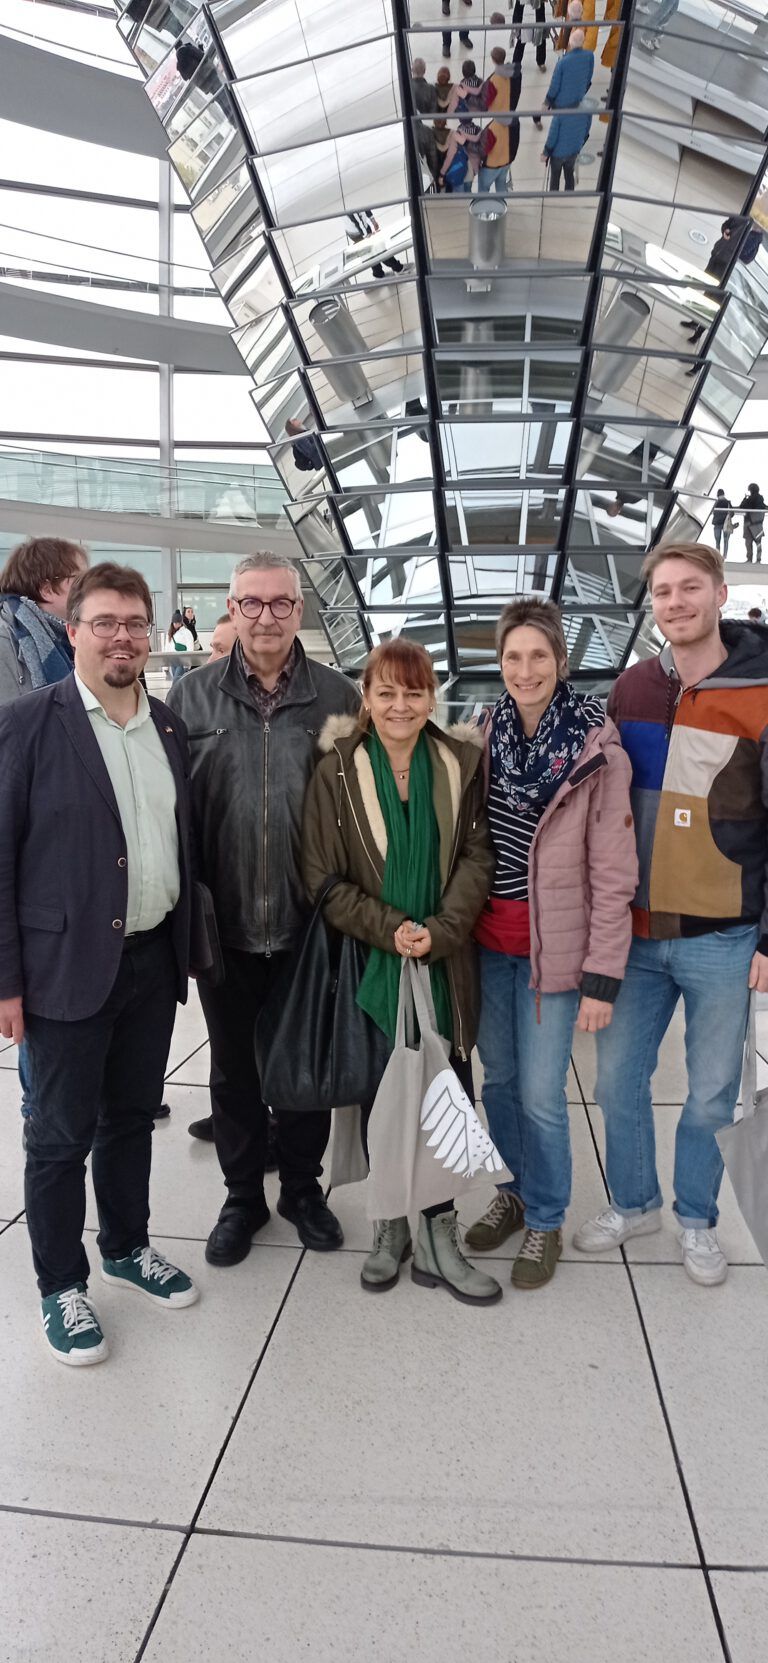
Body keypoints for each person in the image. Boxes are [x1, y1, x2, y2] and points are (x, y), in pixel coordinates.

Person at [0, 562, 196, 1366]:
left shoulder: (169, 726)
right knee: (57, 1136)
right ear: (72, 629)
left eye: (136, 622)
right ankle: (60, 1284)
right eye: (106, 621)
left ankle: (125, 1245)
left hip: (151, 960)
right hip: (62, 970)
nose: (124, 636)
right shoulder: (27, 724)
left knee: (129, 1119)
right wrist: (7, 981)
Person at [574, 541, 768, 1286]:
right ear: (650, 603)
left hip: (723, 935)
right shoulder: (629, 691)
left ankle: (696, 1217)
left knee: (713, 1090)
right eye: (663, 591)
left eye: (691, 587)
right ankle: (634, 1202)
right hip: (635, 934)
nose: (677, 602)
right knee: (618, 1080)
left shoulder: (760, 692)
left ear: (720, 593)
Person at [166, 553, 361, 1265]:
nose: (266, 616)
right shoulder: (190, 700)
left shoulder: (340, 696)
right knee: (234, 1071)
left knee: (303, 1069)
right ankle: (242, 1195)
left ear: (299, 611)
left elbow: (363, 814)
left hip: (312, 925)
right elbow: (173, 815)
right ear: (231, 607)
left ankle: (303, 1189)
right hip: (225, 926)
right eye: (251, 603)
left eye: (280, 604)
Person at [302, 638, 501, 1306]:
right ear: (366, 695)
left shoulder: (460, 762)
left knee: (447, 1090)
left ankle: (441, 1229)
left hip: (444, 965)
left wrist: (439, 931)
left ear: (430, 697)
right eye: (386, 691)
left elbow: (479, 854)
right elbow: (322, 876)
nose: (400, 704)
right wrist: (390, 928)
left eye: (414, 692)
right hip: (373, 962)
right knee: (382, 1094)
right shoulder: (335, 769)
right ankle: (390, 1225)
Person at [464, 600, 636, 1289]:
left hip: (555, 955)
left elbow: (615, 869)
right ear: (500, 664)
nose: (525, 669)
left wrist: (603, 975)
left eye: (538, 656)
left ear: (560, 662)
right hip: (488, 944)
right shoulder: (486, 731)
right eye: (513, 657)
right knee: (499, 1083)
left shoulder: (597, 745)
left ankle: (547, 1216)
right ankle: (511, 1192)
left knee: (540, 1092)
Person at [0, 536, 87, 705]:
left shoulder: (71, 639)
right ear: (47, 590)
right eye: (80, 581)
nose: (90, 589)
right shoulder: (5, 640)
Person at [478, 47, 521, 193]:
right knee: (501, 185)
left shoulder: (492, 129)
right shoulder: (516, 75)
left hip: (492, 166)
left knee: (483, 187)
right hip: (507, 162)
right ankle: (503, 207)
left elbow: (483, 105)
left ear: (493, 60)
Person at [542, 105, 590, 191]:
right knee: (569, 175)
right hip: (573, 151)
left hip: (558, 153)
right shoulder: (585, 111)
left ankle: (553, 197)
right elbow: (586, 130)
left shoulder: (560, 113)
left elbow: (553, 136)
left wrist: (546, 152)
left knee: (555, 177)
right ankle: (569, 196)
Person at [543, 27, 594, 109]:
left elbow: (555, 84)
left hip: (562, 102)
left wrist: (548, 100)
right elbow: (589, 75)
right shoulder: (589, 56)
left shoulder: (563, 61)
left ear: (570, 42)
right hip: (578, 98)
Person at [346, 210, 404, 281]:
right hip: (359, 232)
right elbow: (356, 219)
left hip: (361, 228)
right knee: (379, 249)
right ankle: (398, 269)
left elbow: (364, 206)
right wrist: (367, 234)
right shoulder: (351, 204)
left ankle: (379, 274)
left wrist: (372, 220)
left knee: (371, 253)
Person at [411, 59, 440, 184]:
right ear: (424, 71)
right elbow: (434, 112)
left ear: (412, 70)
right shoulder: (431, 89)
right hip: (425, 129)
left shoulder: (406, 88)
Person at [440, 120, 483, 193]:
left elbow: (450, 155)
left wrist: (442, 173)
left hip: (459, 169)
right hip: (472, 169)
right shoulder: (478, 130)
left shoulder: (457, 133)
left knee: (459, 195)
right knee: (468, 192)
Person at [510, 0, 548, 72]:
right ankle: (516, 63)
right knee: (521, 38)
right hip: (523, 20)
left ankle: (541, 61)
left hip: (539, 15)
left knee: (540, 35)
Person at [739, 484, 765, 563]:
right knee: (758, 543)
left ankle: (749, 559)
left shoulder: (749, 499)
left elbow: (741, 506)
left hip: (748, 522)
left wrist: (745, 498)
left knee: (748, 542)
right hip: (758, 524)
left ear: (750, 490)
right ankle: (758, 559)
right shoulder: (761, 500)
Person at [711, 489, 733, 557]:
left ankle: (718, 555)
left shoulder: (716, 502)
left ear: (718, 495)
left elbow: (713, 511)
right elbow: (732, 513)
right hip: (726, 523)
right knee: (726, 540)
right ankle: (724, 556)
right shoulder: (728, 502)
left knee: (717, 541)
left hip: (717, 523)